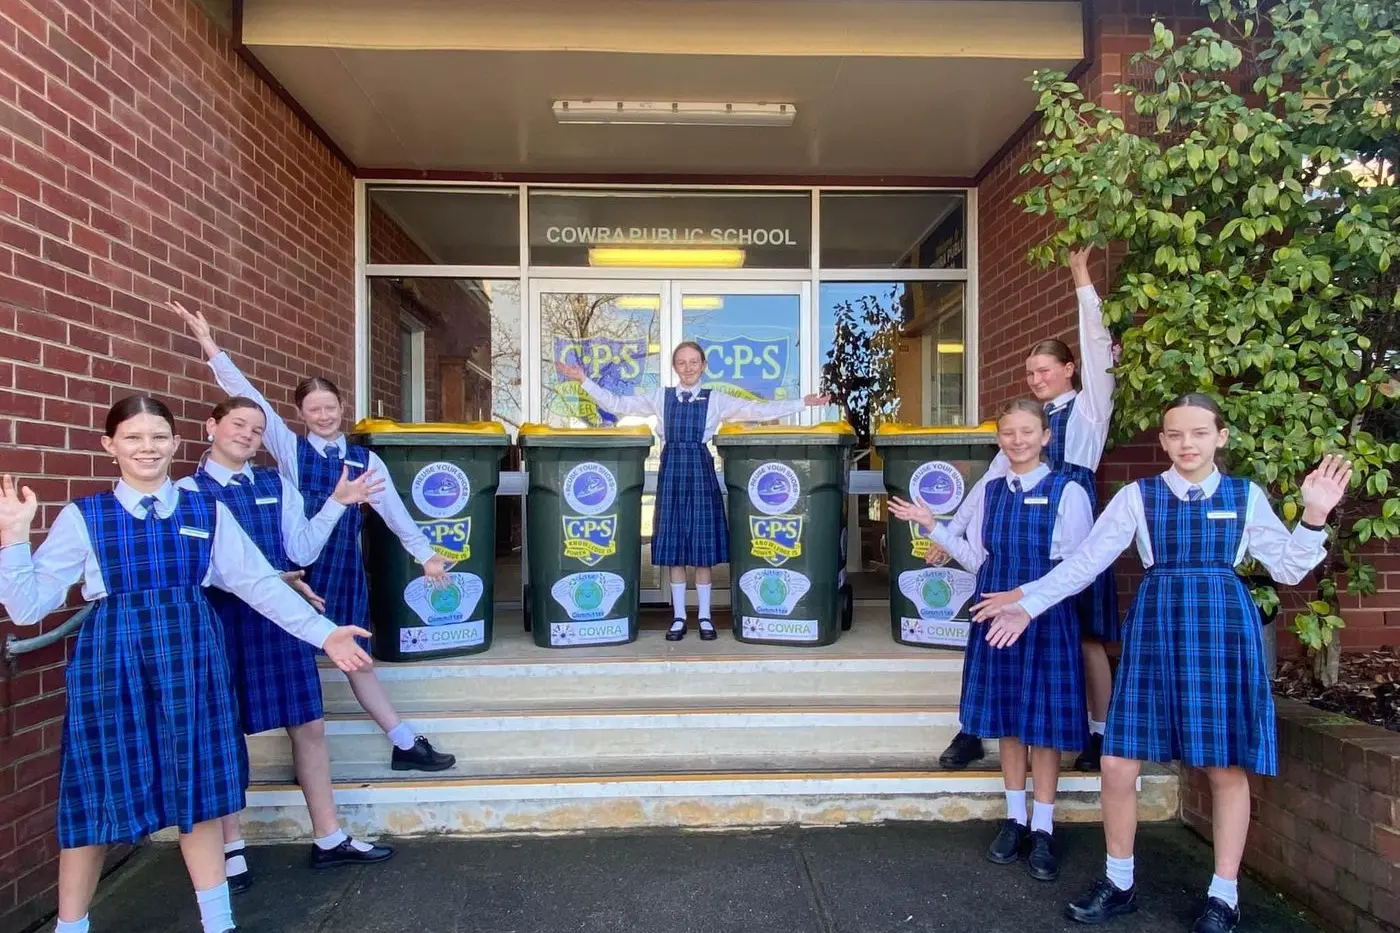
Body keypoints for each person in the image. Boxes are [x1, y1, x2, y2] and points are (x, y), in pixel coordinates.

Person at [971, 394, 1351, 933]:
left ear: (1221, 437)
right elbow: (1083, 563)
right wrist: (1027, 603)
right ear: (1164, 441)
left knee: (1224, 765)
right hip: (1154, 628)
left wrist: (1314, 515)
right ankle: (1119, 881)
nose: (1187, 444)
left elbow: (1289, 570)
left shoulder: (1245, 496)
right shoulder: (1136, 497)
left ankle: (1224, 896)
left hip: (1222, 631)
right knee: (1117, 763)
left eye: (1199, 433)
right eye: (1175, 434)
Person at [0, 396, 372, 933]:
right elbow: (27, 606)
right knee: (96, 794)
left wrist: (324, 632)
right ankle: (71, 927)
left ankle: (218, 924)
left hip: (191, 657)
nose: (146, 448)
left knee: (198, 789)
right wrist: (13, 539)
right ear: (110, 447)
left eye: (157, 437)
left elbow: (258, 585)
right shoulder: (84, 516)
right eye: (132, 438)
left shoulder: (205, 509)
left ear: (176, 444)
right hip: (112, 664)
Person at [169, 300, 456, 773]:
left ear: (343, 407)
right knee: (289, 661)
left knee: (358, 658)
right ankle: (294, 743)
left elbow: (397, 515)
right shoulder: (290, 450)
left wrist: (425, 555)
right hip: (295, 570)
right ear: (300, 414)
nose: (323, 416)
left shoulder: (366, 460)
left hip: (342, 568)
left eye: (330, 407)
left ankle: (403, 741)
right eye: (313, 409)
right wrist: (211, 348)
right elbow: (249, 399)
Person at [178, 397, 396, 893]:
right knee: (225, 730)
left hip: (280, 618)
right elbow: (198, 565)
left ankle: (329, 837)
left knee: (309, 724)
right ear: (212, 427)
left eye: (257, 429)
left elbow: (300, 549)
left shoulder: (277, 483)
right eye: (238, 425)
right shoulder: (187, 492)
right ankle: (231, 848)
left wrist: (338, 504)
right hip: (223, 619)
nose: (248, 435)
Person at [889, 399, 1092, 881]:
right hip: (992, 613)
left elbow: (1078, 569)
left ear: (1045, 437)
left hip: (1044, 617)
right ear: (999, 440)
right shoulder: (993, 491)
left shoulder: (1069, 491)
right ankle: (1014, 819)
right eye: (1007, 433)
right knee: (1007, 722)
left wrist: (1026, 600)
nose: (1017, 440)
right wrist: (932, 525)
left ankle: (1043, 827)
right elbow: (979, 559)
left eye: (1026, 432)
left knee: (1042, 728)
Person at [937, 248, 1119, 773]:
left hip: (1071, 532)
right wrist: (951, 532)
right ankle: (974, 727)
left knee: (1084, 638)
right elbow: (988, 484)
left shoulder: (1089, 409)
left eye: (1044, 370)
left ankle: (1097, 735)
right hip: (1019, 538)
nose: (1036, 379)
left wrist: (1081, 279)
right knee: (994, 626)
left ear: (1068, 370)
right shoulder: (1024, 430)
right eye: (1029, 373)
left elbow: (1097, 346)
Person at [557, 341, 829, 640]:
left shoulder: (716, 400)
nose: (688, 368)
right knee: (675, 551)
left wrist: (803, 403)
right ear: (675, 367)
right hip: (671, 471)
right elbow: (618, 404)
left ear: (703, 365)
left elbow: (759, 409)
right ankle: (677, 618)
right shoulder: (661, 397)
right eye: (682, 362)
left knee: (701, 552)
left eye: (694, 362)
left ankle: (705, 617)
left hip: (700, 471)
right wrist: (584, 380)